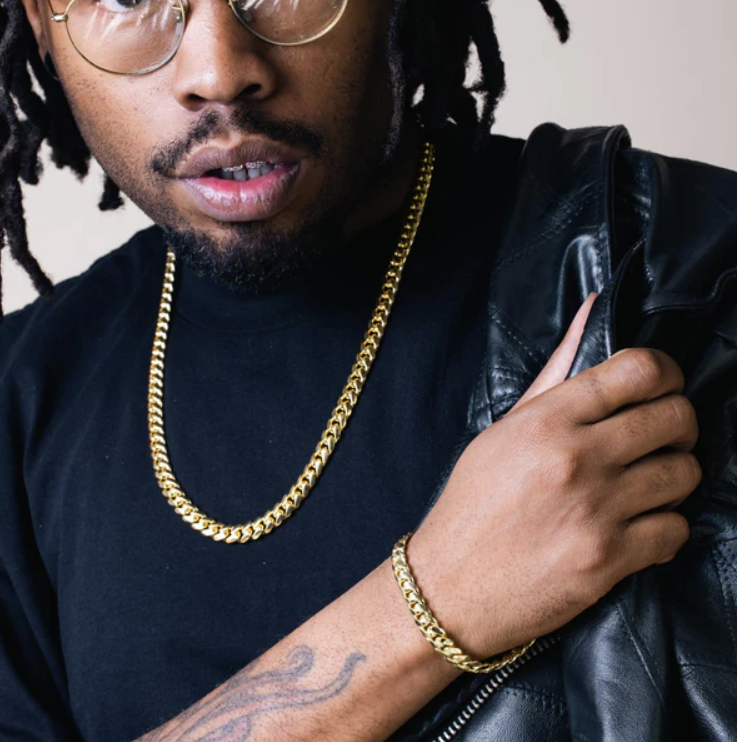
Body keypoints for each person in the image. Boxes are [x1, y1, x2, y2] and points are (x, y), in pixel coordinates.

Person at [1, 0, 735, 740]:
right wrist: (439, 596)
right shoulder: (20, 398)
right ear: (40, 24)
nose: (219, 73)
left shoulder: (685, 273)